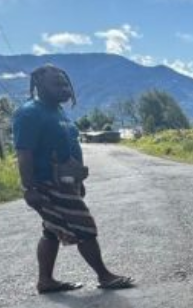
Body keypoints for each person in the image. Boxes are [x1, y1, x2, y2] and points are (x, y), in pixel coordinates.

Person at [13, 65, 133, 294]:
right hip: (49, 184)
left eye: (65, 84)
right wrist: (29, 188)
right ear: (39, 86)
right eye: (57, 84)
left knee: (51, 231)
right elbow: (24, 153)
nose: (65, 88)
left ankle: (45, 281)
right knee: (84, 227)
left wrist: (78, 182)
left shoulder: (57, 111)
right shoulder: (29, 113)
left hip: (67, 183)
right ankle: (104, 276)